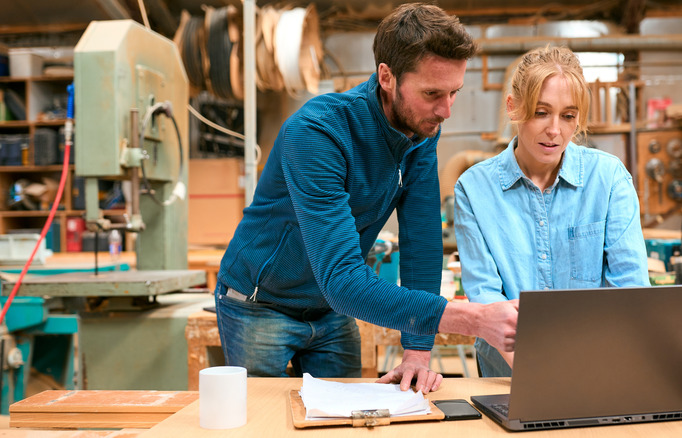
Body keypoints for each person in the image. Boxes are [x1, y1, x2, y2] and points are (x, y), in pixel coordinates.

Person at [215, 3, 519, 393]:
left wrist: (417, 350)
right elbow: (342, 280)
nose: (446, 110)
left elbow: (422, 244)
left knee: (345, 423)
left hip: (331, 308)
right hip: (260, 304)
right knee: (265, 423)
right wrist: (473, 319)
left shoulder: (421, 129)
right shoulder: (317, 133)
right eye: (432, 93)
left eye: (454, 93)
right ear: (387, 77)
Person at [453, 46, 649, 377]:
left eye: (568, 116)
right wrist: (539, 378)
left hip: (597, 369)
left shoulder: (609, 178)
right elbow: (487, 300)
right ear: (513, 108)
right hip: (510, 376)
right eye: (541, 112)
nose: (555, 130)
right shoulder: (474, 190)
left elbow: (629, 290)